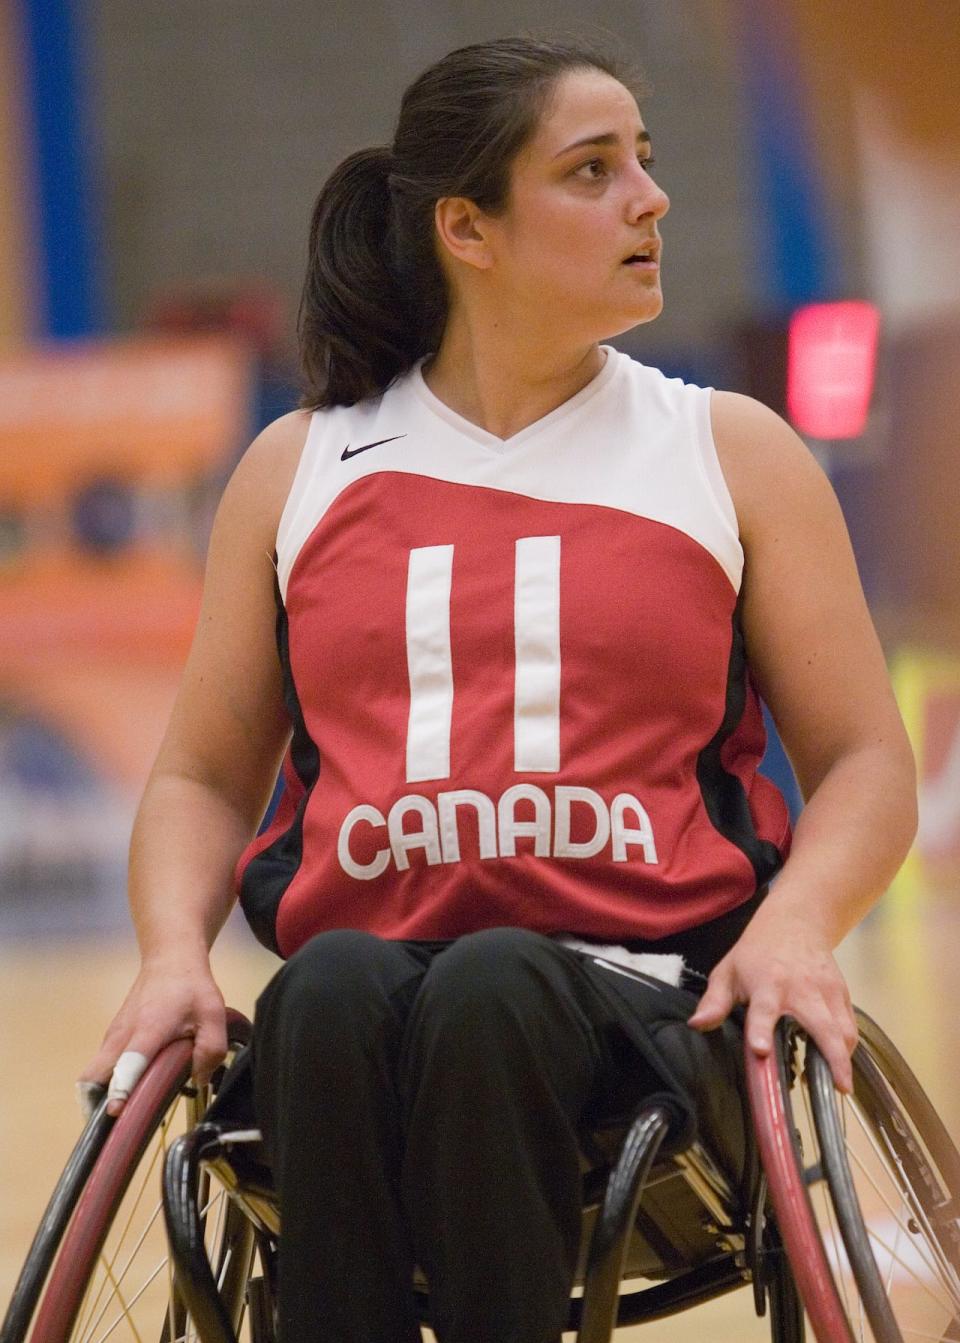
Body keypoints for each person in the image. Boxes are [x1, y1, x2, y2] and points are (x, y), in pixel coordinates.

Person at [79, 34, 917, 1343]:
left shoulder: (730, 452)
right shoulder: (303, 464)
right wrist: (171, 957)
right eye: (595, 171)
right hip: (363, 1009)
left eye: (647, 160)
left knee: (492, 987)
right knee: (334, 983)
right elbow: (199, 774)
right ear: (467, 228)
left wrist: (799, 925)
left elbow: (866, 759)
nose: (651, 198)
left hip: (652, 1009)